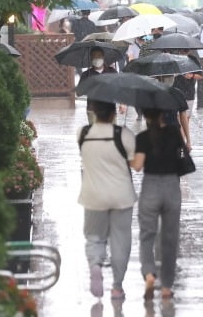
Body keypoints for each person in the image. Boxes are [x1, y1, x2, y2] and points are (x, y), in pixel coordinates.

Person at [77, 101, 136, 300]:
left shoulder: (83, 133)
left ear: (93, 113)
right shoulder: (124, 135)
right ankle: (117, 287)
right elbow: (134, 163)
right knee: (120, 241)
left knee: (94, 236)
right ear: (113, 114)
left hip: (93, 195)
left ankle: (95, 265)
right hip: (121, 196)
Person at [130, 108, 185, 301]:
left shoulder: (143, 137)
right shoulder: (174, 133)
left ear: (146, 116)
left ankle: (149, 274)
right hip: (171, 187)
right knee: (170, 238)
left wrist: (127, 154)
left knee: (147, 235)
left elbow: (137, 166)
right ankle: (167, 287)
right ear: (163, 115)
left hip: (151, 187)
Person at [78, 47, 117, 124]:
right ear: (91, 58)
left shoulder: (112, 72)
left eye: (99, 56)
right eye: (94, 56)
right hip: (93, 110)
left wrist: (123, 104)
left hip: (110, 110)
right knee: (96, 134)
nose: (96, 58)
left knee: (112, 134)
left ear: (103, 57)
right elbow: (78, 93)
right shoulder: (86, 75)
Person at [172, 51, 203, 123]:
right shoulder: (174, 59)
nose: (184, 51)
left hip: (189, 93)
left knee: (186, 118)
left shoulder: (193, 59)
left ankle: (184, 133)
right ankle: (181, 134)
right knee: (178, 117)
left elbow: (200, 76)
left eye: (186, 50)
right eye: (182, 50)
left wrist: (191, 75)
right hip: (176, 92)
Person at [72, 9, 98, 74]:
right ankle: (89, 76)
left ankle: (81, 75)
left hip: (79, 45)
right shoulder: (92, 24)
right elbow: (94, 35)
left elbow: (73, 33)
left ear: (81, 12)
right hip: (89, 45)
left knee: (77, 63)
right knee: (90, 62)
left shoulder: (76, 22)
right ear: (89, 14)